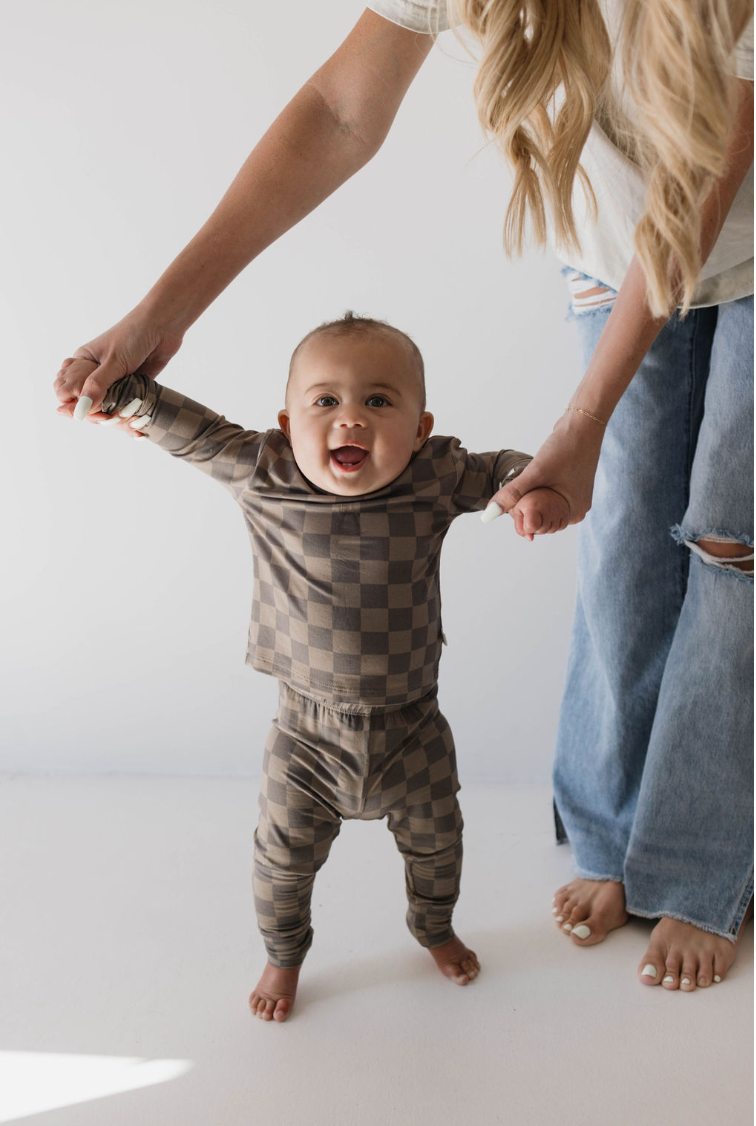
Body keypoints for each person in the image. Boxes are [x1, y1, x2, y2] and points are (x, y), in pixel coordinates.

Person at [54, 0, 754, 992]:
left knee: (733, 549)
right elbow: (342, 107)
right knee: (627, 538)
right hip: (616, 242)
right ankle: (614, 831)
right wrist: (157, 321)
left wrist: (577, 426)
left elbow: (699, 187)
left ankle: (699, 860)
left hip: (734, 213)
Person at [59, 311, 568, 1021]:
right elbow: (192, 430)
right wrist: (128, 395)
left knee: (439, 845)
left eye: (379, 402)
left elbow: (509, 469)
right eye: (325, 401)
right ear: (287, 423)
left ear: (420, 428)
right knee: (282, 862)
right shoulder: (264, 470)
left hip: (413, 728)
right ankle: (283, 955)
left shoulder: (433, 475)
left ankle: (434, 927)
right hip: (305, 737)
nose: (351, 420)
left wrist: (536, 490)